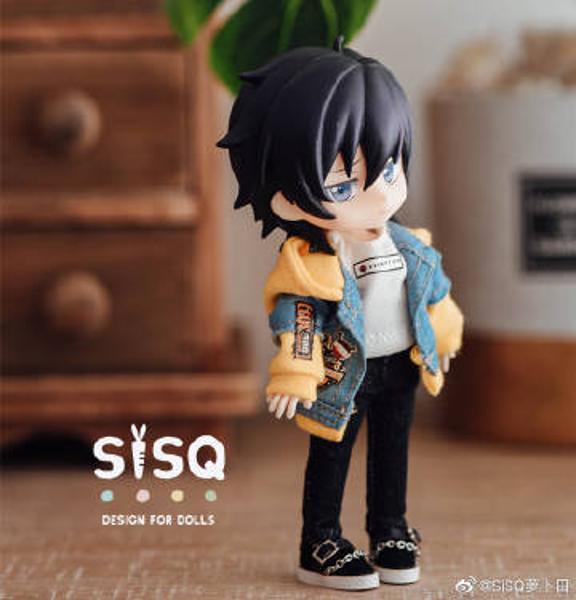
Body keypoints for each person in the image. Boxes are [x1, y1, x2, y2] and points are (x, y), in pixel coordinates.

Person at [218, 38, 464, 592]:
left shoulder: (409, 245)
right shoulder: (311, 264)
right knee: (331, 455)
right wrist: (295, 371)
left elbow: (433, 293)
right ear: (286, 197)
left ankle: (391, 529)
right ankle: (320, 541)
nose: (378, 194)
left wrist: (443, 333)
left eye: (390, 168)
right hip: (341, 372)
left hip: (401, 366)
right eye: (345, 184)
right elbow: (299, 318)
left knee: (393, 451)